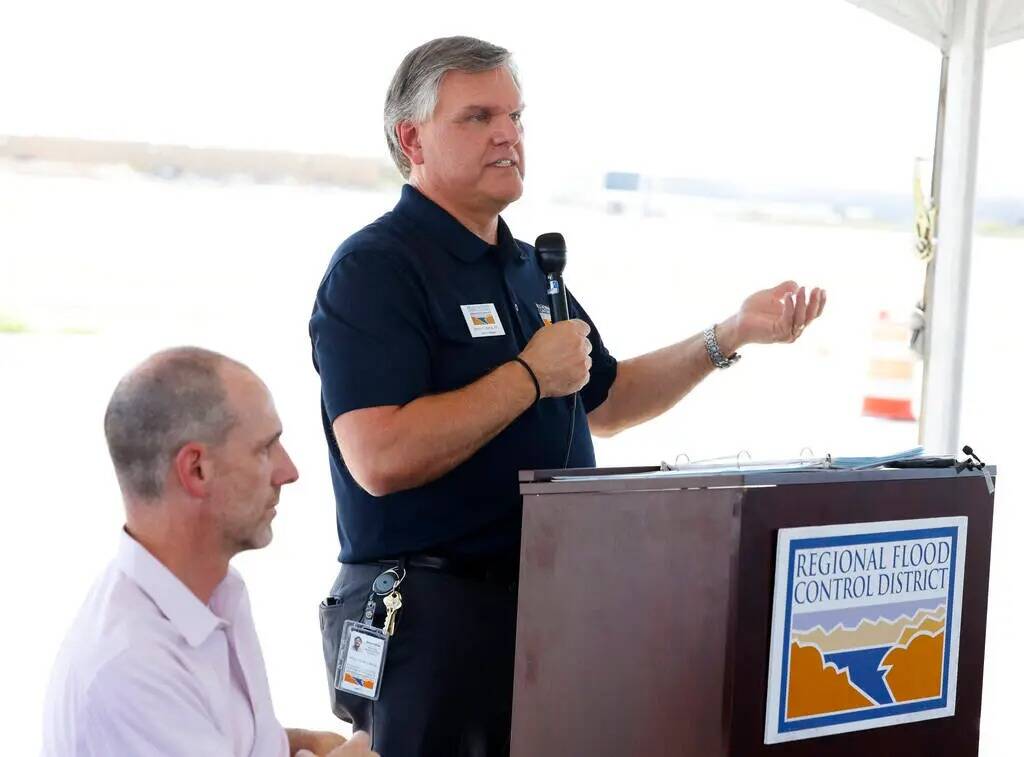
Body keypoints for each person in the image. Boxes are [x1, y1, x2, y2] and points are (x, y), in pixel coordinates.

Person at [309, 36, 826, 756]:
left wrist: (729, 333)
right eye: (479, 116)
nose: (508, 135)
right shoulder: (376, 270)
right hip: (435, 622)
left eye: (517, 117)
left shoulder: (526, 269)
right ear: (411, 137)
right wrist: (527, 376)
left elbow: (606, 402)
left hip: (552, 610)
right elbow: (379, 455)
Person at [41, 347, 377, 757]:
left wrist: (292, 744)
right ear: (196, 469)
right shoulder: (131, 667)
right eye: (265, 449)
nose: (288, 471)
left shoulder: (218, 591)